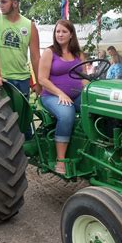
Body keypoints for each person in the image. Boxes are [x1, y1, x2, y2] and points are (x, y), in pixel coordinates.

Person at [38, 20, 86, 174]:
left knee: (97, 108)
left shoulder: (79, 54)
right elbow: (42, 79)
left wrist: (89, 92)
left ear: (71, 34)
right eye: (57, 31)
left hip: (77, 95)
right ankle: (61, 160)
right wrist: (60, 93)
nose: (60, 34)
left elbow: (84, 79)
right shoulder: (49, 52)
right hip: (51, 96)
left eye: (64, 31)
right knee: (67, 113)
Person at [0, 0, 40, 97]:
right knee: (0, 113)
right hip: (1, 79)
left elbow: (35, 57)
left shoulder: (30, 25)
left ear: (15, 3)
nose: (0, 5)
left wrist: (38, 83)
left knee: (21, 114)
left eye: (4, 2)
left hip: (22, 78)